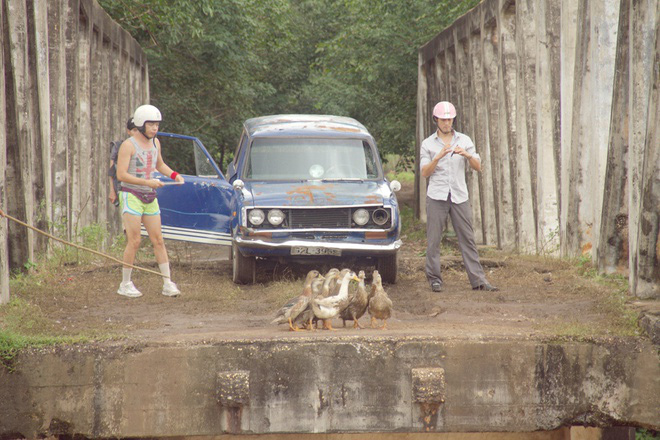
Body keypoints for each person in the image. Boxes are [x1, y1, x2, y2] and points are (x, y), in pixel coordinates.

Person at [420, 101, 498, 292]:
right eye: (443, 119)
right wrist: (437, 157)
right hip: (437, 196)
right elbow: (424, 172)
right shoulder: (428, 144)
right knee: (434, 239)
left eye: (450, 119)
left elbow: (478, 167)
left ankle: (478, 280)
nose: (447, 123)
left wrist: (467, 155)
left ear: (453, 119)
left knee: (467, 238)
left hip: (459, 195)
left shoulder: (464, 140)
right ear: (436, 120)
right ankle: (434, 278)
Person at [115, 104, 184, 298]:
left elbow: (159, 164)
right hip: (131, 195)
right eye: (151, 124)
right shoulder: (128, 145)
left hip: (149, 195)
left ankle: (167, 283)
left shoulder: (156, 143)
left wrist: (174, 175)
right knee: (134, 240)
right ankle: (125, 283)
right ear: (140, 124)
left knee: (158, 240)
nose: (155, 128)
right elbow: (121, 175)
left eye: (157, 124)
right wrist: (147, 181)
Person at [108, 118, 138, 207]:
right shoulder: (119, 146)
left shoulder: (146, 146)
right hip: (124, 188)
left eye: (139, 130)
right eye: (134, 130)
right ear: (128, 131)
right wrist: (112, 190)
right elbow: (112, 170)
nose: (137, 133)